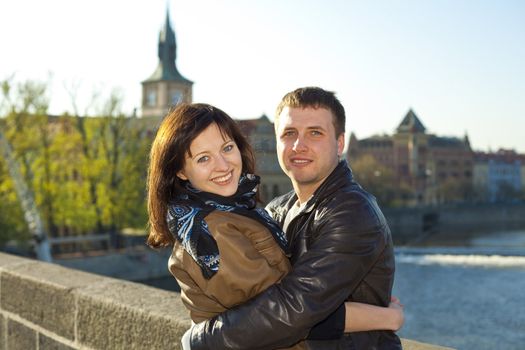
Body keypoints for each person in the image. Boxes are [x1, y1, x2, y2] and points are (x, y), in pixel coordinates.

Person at [146, 102, 403, 349]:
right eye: (203, 158)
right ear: (180, 171)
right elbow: (286, 315)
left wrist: (200, 339)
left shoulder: (349, 212)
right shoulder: (213, 231)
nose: (223, 165)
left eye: (315, 133)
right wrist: (385, 318)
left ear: (340, 143)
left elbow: (285, 312)